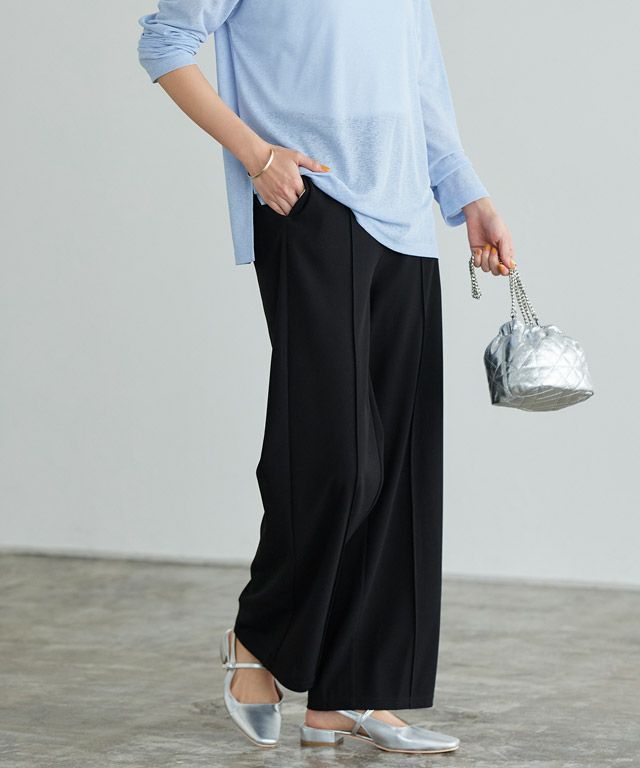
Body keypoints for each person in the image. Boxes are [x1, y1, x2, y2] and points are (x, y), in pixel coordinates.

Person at [137, 0, 515, 755]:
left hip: (406, 216)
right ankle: (258, 635)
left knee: (400, 467)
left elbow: (420, 84)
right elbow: (165, 41)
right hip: (310, 199)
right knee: (337, 458)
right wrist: (256, 155)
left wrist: (466, 193)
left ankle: (350, 693)